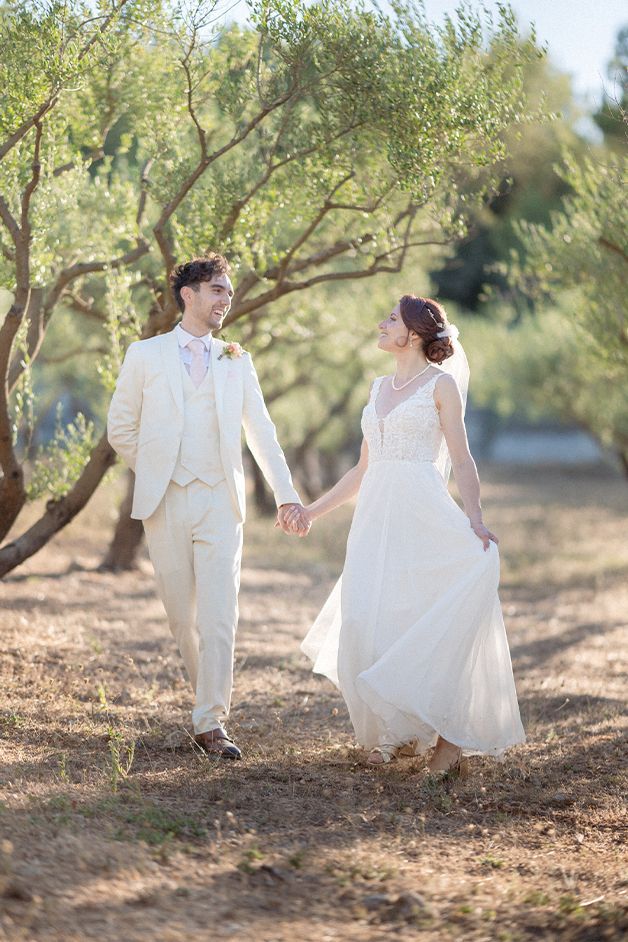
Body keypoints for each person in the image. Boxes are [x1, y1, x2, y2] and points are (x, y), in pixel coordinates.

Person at [288, 295, 525, 772]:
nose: (380, 324)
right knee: (372, 617)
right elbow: (360, 470)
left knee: (426, 611)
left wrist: (475, 519)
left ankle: (449, 741)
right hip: (375, 520)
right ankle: (400, 733)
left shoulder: (440, 387)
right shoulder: (377, 387)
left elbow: (461, 459)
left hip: (422, 510)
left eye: (390, 319)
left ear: (413, 334)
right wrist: (311, 511)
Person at [107, 254, 309, 760]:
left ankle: (211, 721)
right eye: (217, 290)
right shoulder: (144, 355)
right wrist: (156, 470)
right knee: (183, 617)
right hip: (165, 500)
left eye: (229, 292)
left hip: (222, 499)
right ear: (189, 295)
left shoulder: (236, 359)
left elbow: (262, 432)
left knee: (220, 615)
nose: (226, 300)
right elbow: (121, 428)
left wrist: (286, 494)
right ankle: (206, 704)